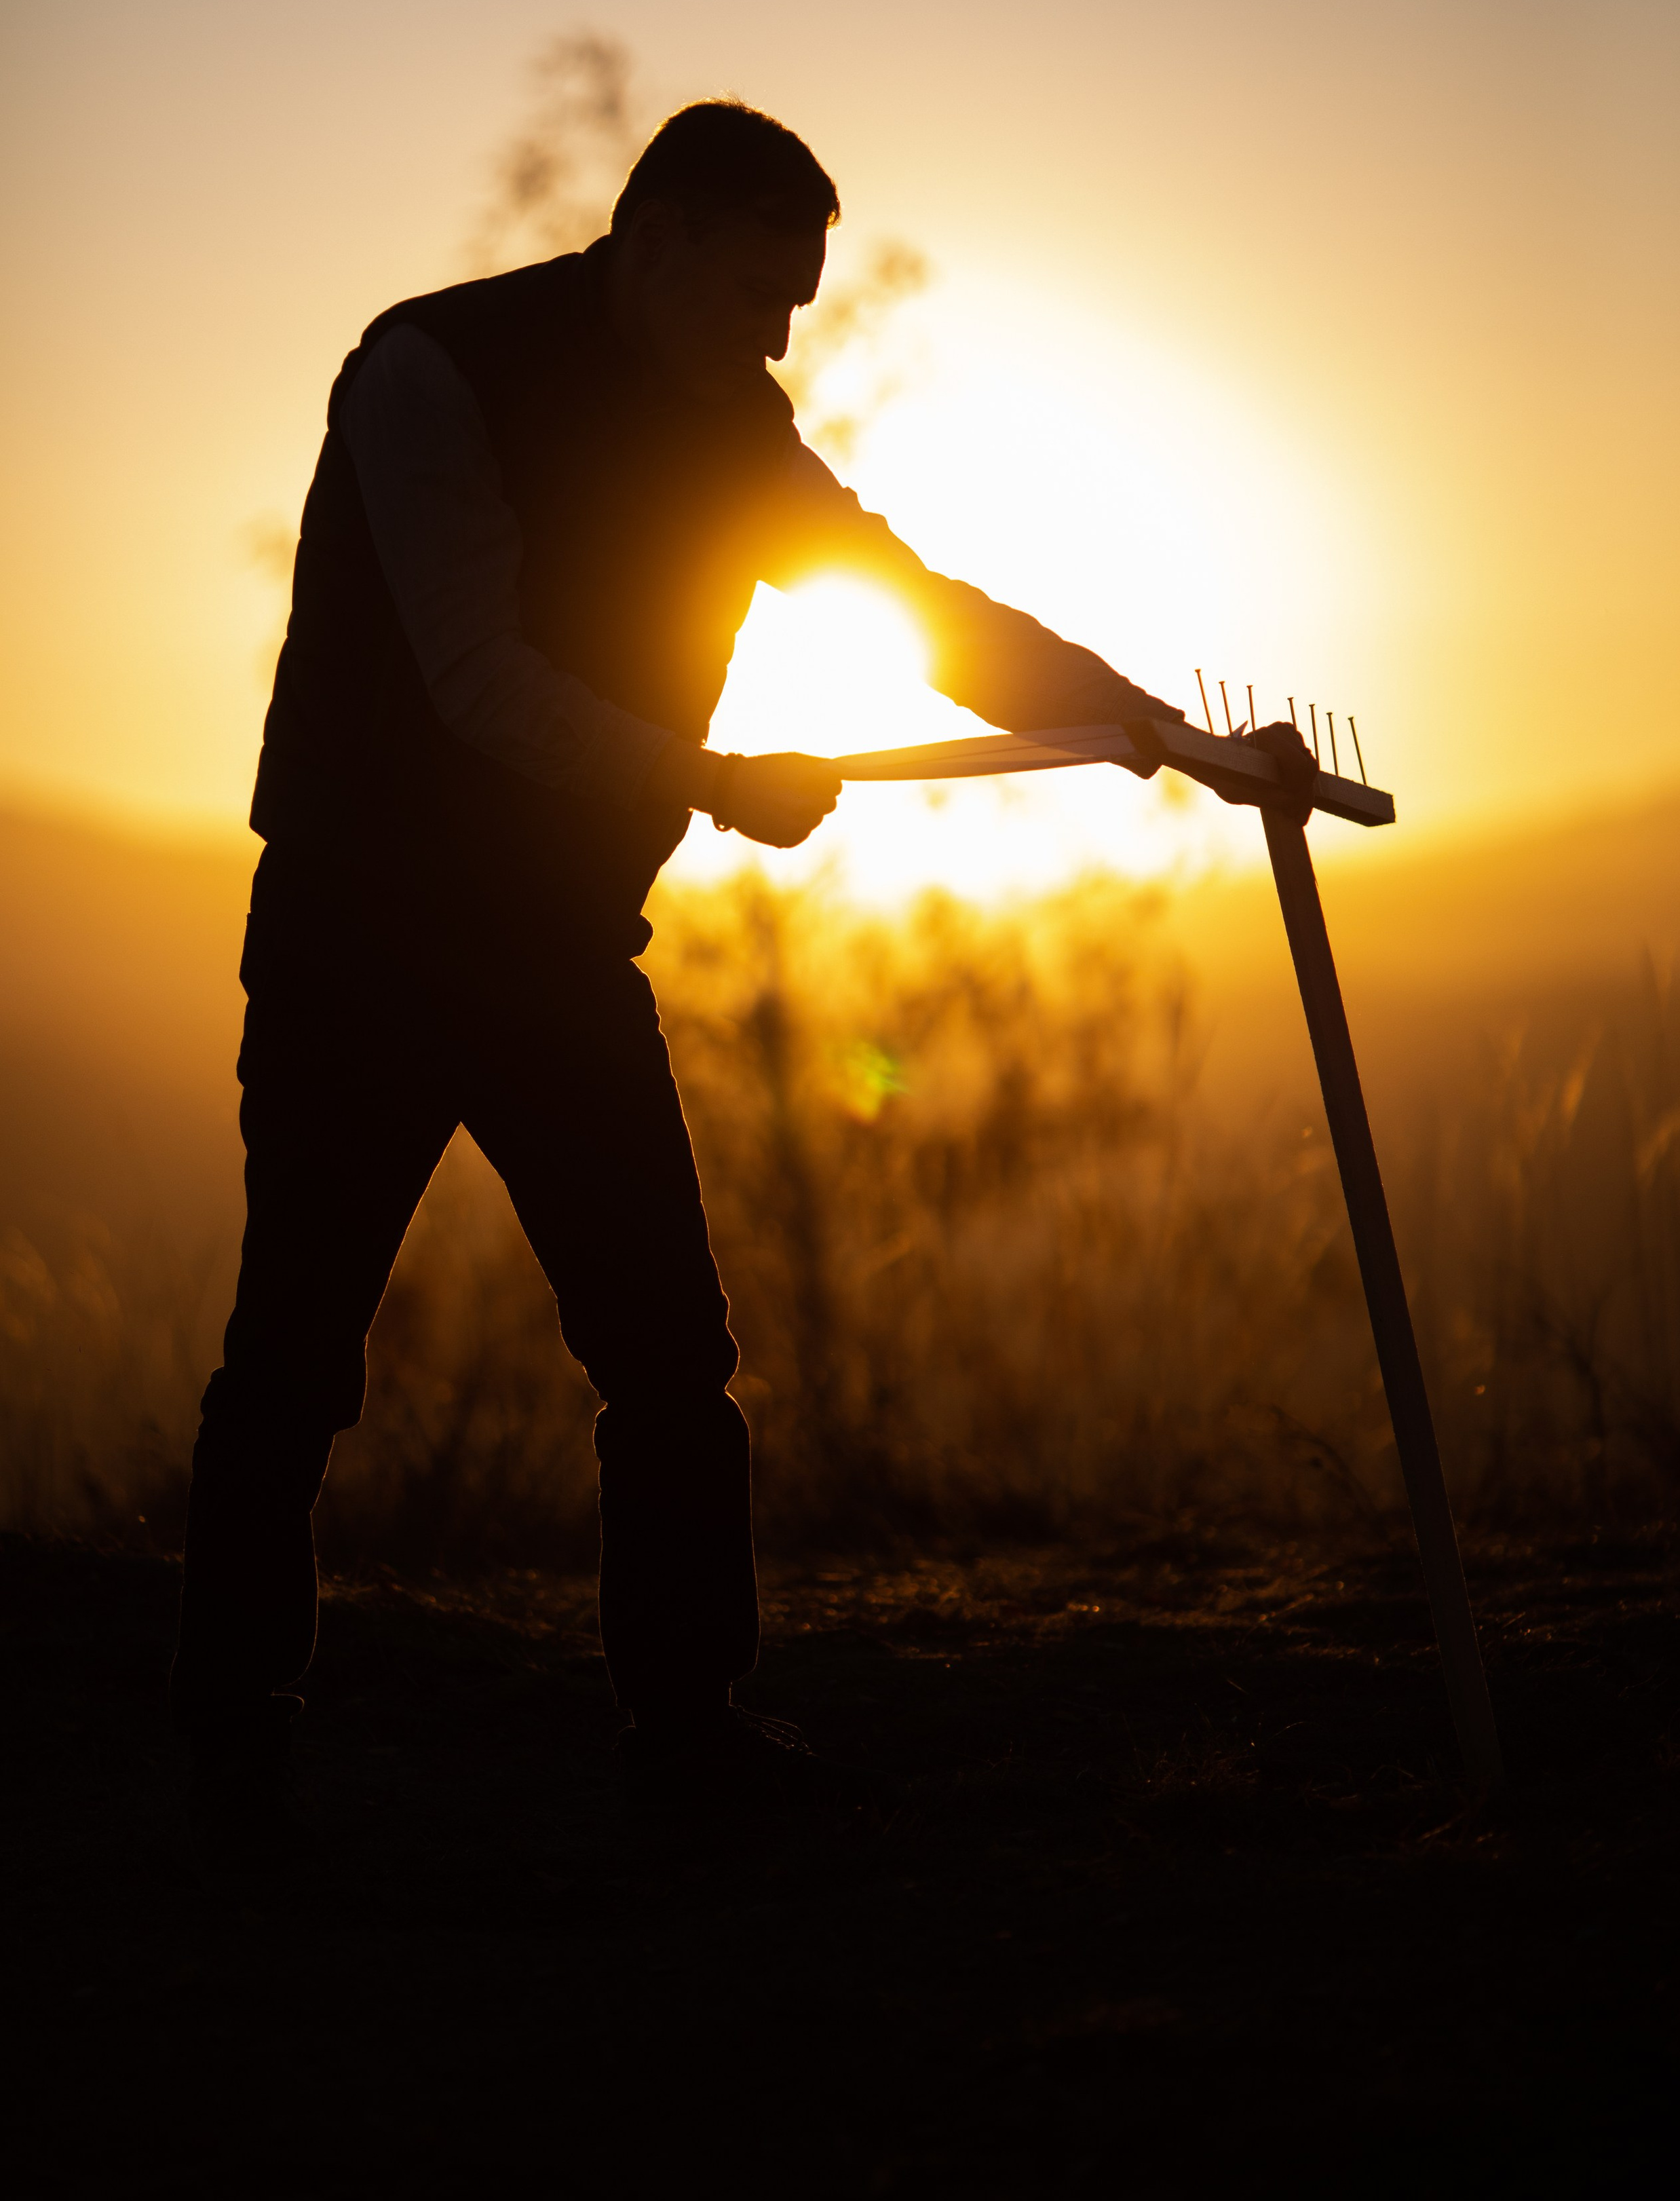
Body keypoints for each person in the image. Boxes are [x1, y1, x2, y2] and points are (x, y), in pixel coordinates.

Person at [171, 98, 1313, 1806]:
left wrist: (1145, 725)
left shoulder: (738, 431)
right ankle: (233, 1720)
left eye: (799, 306)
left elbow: (898, 597)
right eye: (757, 292)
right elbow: (474, 682)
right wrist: (703, 779)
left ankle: (687, 1729)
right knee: (301, 1342)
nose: (778, 336)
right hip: (361, 934)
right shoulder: (427, 375)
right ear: (662, 234)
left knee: (665, 1354)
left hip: (555, 943)